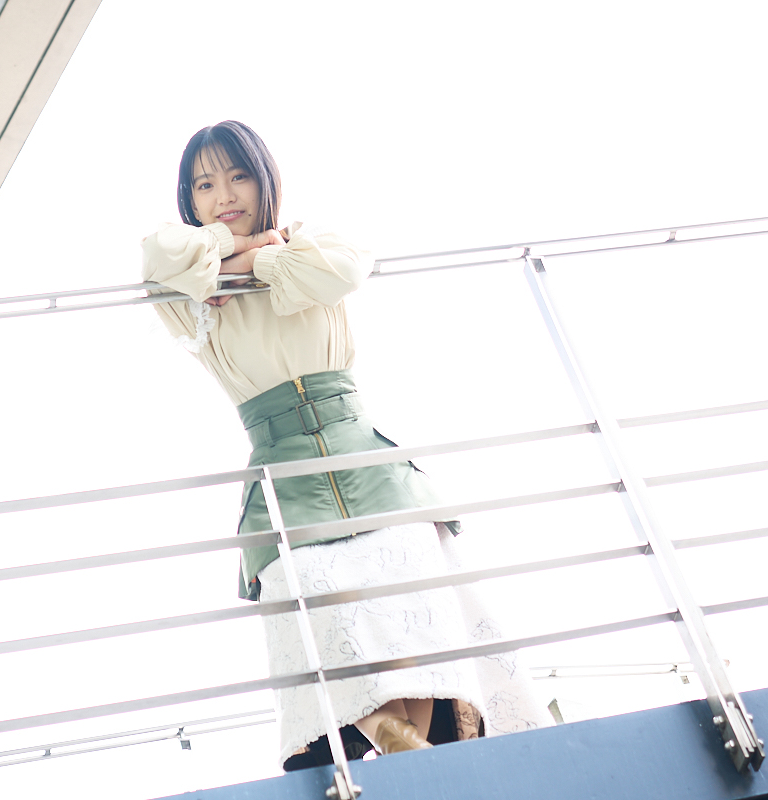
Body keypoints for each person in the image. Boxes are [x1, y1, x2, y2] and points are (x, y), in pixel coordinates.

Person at [141, 120, 552, 770]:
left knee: (413, 636)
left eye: (238, 175)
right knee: (326, 631)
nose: (224, 194)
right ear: (188, 199)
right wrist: (237, 246)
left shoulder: (308, 243)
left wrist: (253, 258)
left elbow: (343, 266)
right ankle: (403, 752)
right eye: (205, 184)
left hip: (369, 462)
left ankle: (414, 762)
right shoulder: (188, 287)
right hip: (282, 479)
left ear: (265, 179)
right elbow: (159, 255)